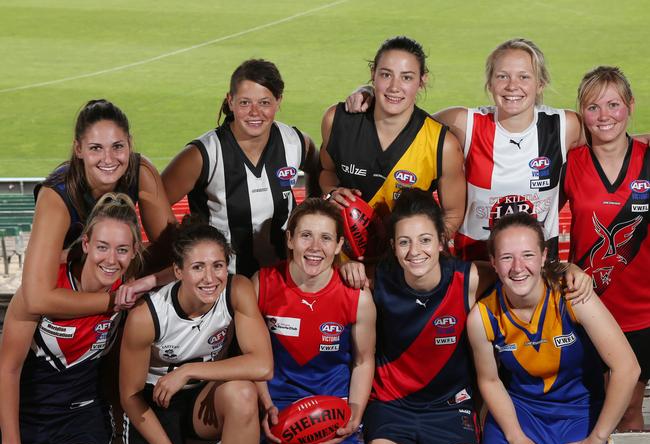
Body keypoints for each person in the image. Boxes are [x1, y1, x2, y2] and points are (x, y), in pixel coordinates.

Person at [363, 189, 591, 444]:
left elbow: (520, 271)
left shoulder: (468, 279)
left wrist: (569, 268)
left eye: (425, 240)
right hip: (391, 406)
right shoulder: (376, 280)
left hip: (450, 409)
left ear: (443, 241)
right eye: (404, 242)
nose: (414, 251)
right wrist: (349, 269)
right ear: (393, 246)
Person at [346, 38, 583, 261]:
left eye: (524, 77)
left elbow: (610, 140)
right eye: (502, 76)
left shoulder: (565, 126)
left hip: (540, 268)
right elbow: (402, 121)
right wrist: (369, 93)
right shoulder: (465, 123)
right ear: (490, 82)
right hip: (475, 268)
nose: (513, 86)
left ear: (540, 83)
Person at [467, 212, 640, 444]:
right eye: (505, 257)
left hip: (578, 417)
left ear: (544, 255)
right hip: (520, 415)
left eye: (527, 255)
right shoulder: (482, 316)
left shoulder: (572, 295)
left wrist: (597, 439)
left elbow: (627, 368)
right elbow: (490, 381)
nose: (517, 266)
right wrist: (515, 437)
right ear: (493, 262)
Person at [0, 193, 143, 444]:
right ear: (87, 244)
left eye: (123, 250)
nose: (112, 260)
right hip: (23, 415)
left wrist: (150, 280)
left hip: (81, 416)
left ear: (135, 251)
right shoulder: (44, 284)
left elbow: (183, 266)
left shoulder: (132, 283)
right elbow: (8, 368)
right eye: (102, 247)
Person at [119, 218, 273, 444]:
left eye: (218, 266)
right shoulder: (147, 316)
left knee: (244, 393)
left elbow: (263, 365)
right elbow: (130, 397)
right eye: (198, 267)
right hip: (154, 403)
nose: (210, 278)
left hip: (203, 398)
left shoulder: (237, 290)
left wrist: (188, 371)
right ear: (177, 271)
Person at [563, 66, 650, 444]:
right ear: (581, 114)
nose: (605, 115)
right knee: (585, 400)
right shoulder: (571, 162)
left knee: (631, 405)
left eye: (614, 104)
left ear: (630, 107)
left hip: (642, 313)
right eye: (593, 106)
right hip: (586, 309)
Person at [252, 198, 376, 444]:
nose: (315, 247)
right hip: (277, 412)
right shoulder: (262, 284)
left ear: (339, 245)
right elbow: (252, 357)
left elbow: (363, 361)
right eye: (306, 235)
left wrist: (355, 413)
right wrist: (265, 405)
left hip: (336, 409)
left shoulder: (357, 296)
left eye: (326, 238)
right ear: (290, 239)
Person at [161, 59, 319, 278]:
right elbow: (155, 203)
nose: (255, 112)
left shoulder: (295, 142)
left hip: (284, 278)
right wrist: (184, 250)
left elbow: (320, 170)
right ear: (231, 101)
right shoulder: (204, 154)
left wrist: (310, 213)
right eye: (245, 103)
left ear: (278, 101)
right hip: (222, 284)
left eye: (264, 103)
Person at [319, 36, 466, 264]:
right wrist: (331, 193)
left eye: (407, 77)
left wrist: (417, 253)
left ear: (421, 81)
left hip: (405, 267)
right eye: (386, 75)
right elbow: (326, 171)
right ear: (373, 73)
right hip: (343, 258)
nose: (394, 87)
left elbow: (453, 213)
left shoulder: (442, 144)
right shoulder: (337, 121)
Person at [24, 99, 176, 318]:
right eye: (96, 148)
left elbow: (175, 252)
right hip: (70, 289)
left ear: (130, 144)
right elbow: (36, 298)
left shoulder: (140, 171)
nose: (108, 159)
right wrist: (117, 300)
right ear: (78, 149)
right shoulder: (56, 195)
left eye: (118, 146)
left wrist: (141, 282)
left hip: (116, 277)